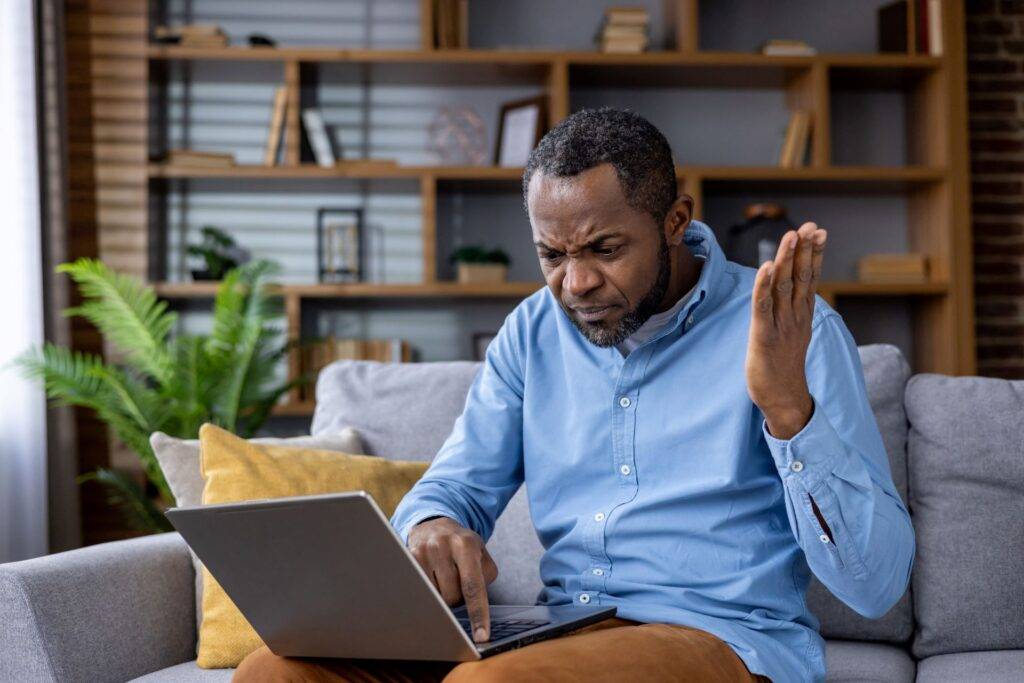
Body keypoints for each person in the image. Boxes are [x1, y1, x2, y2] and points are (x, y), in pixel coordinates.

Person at [235, 108, 915, 682]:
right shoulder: (533, 329)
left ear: (676, 219)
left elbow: (875, 584)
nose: (576, 283)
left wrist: (788, 410)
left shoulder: (790, 329)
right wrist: (430, 524)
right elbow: (455, 485)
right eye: (552, 255)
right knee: (273, 671)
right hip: (561, 634)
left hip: (720, 641)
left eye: (603, 248)